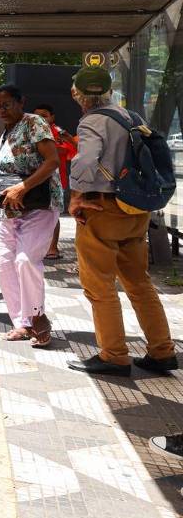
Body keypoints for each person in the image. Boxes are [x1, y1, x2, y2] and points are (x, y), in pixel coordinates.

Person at [65, 67, 176, 377]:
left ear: (78, 95)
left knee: (99, 285)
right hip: (135, 209)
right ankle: (162, 350)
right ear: (109, 92)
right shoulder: (132, 117)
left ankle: (114, 356)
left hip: (103, 209)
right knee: (139, 282)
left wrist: (75, 197)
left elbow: (86, 161)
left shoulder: (91, 121)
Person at [0, 84, 60, 348]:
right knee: (6, 264)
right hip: (9, 210)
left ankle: (37, 317)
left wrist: (22, 186)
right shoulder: (6, 131)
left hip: (37, 205)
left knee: (25, 260)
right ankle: (21, 322)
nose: (1, 110)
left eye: (6, 104)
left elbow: (52, 161)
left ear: (21, 102)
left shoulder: (34, 123)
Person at [32, 103, 78, 260]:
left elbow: (73, 152)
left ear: (52, 117)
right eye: (37, 115)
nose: (40, 119)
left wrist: (68, 140)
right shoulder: (29, 131)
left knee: (53, 215)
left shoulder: (60, 133)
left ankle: (52, 248)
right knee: (36, 214)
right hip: (35, 180)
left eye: (44, 115)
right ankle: (37, 247)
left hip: (57, 181)